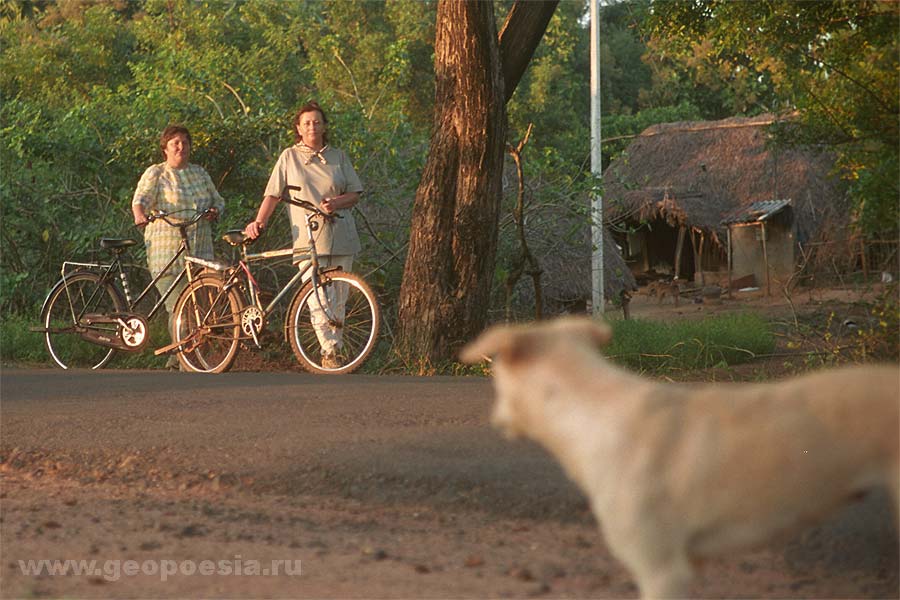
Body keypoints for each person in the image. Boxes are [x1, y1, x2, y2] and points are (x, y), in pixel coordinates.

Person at [244, 101, 363, 369]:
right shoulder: (289, 156)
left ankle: (336, 351)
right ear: (298, 128)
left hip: (341, 232)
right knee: (316, 298)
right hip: (308, 237)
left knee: (339, 299)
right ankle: (329, 351)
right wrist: (258, 222)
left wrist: (336, 202)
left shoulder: (338, 156)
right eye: (307, 122)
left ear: (324, 126)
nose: (312, 126)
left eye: (317, 122)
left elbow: (355, 193)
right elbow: (273, 194)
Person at [132, 125, 224, 368]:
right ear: (165, 149)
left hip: (199, 250)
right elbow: (140, 200)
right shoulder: (157, 173)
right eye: (175, 143)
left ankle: (176, 359)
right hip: (167, 253)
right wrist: (140, 215)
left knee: (199, 309)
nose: (181, 147)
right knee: (178, 307)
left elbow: (218, 200)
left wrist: (215, 211)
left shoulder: (200, 173)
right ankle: (186, 361)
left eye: (185, 142)